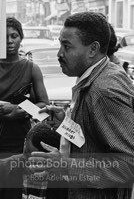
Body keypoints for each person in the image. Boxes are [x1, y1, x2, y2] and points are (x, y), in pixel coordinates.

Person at [34, 12, 134, 199]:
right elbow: (91, 139)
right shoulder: (93, 76)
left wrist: (65, 166)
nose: (59, 54)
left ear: (92, 49)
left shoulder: (105, 90)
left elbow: (127, 166)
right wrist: (65, 124)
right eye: (60, 44)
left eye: (67, 46)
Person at [0, 17, 49, 158]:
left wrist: (16, 109)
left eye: (14, 36)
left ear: (21, 38)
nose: (9, 41)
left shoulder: (32, 68)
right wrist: (7, 115)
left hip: (21, 137)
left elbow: (44, 105)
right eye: (5, 37)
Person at [0, 122, 67, 199]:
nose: (30, 162)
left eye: (38, 159)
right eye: (27, 153)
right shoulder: (0, 170)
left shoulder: (63, 178)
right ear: (24, 142)